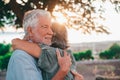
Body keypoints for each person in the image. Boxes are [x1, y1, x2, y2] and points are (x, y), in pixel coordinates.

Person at [6, 9, 72, 80]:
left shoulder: (44, 53)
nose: (51, 32)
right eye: (45, 27)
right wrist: (62, 72)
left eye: (50, 27)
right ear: (30, 31)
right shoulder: (22, 57)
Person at [12, 22, 84, 80]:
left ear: (51, 34)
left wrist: (28, 35)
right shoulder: (69, 54)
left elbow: (15, 43)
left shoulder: (52, 53)